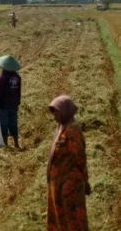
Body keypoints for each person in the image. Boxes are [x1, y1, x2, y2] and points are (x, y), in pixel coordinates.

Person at [47, 95, 90, 231]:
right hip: (58, 184)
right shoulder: (61, 127)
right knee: (62, 219)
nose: (54, 116)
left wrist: (85, 181)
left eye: (57, 112)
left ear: (66, 112)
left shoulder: (73, 131)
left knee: (73, 220)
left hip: (70, 186)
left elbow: (80, 159)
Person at [0, 55, 21, 148]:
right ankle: (16, 143)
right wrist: (17, 103)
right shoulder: (17, 77)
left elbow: (0, 93)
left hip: (4, 105)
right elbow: (18, 91)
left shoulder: (3, 77)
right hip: (13, 105)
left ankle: (5, 144)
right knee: (13, 123)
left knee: (4, 124)